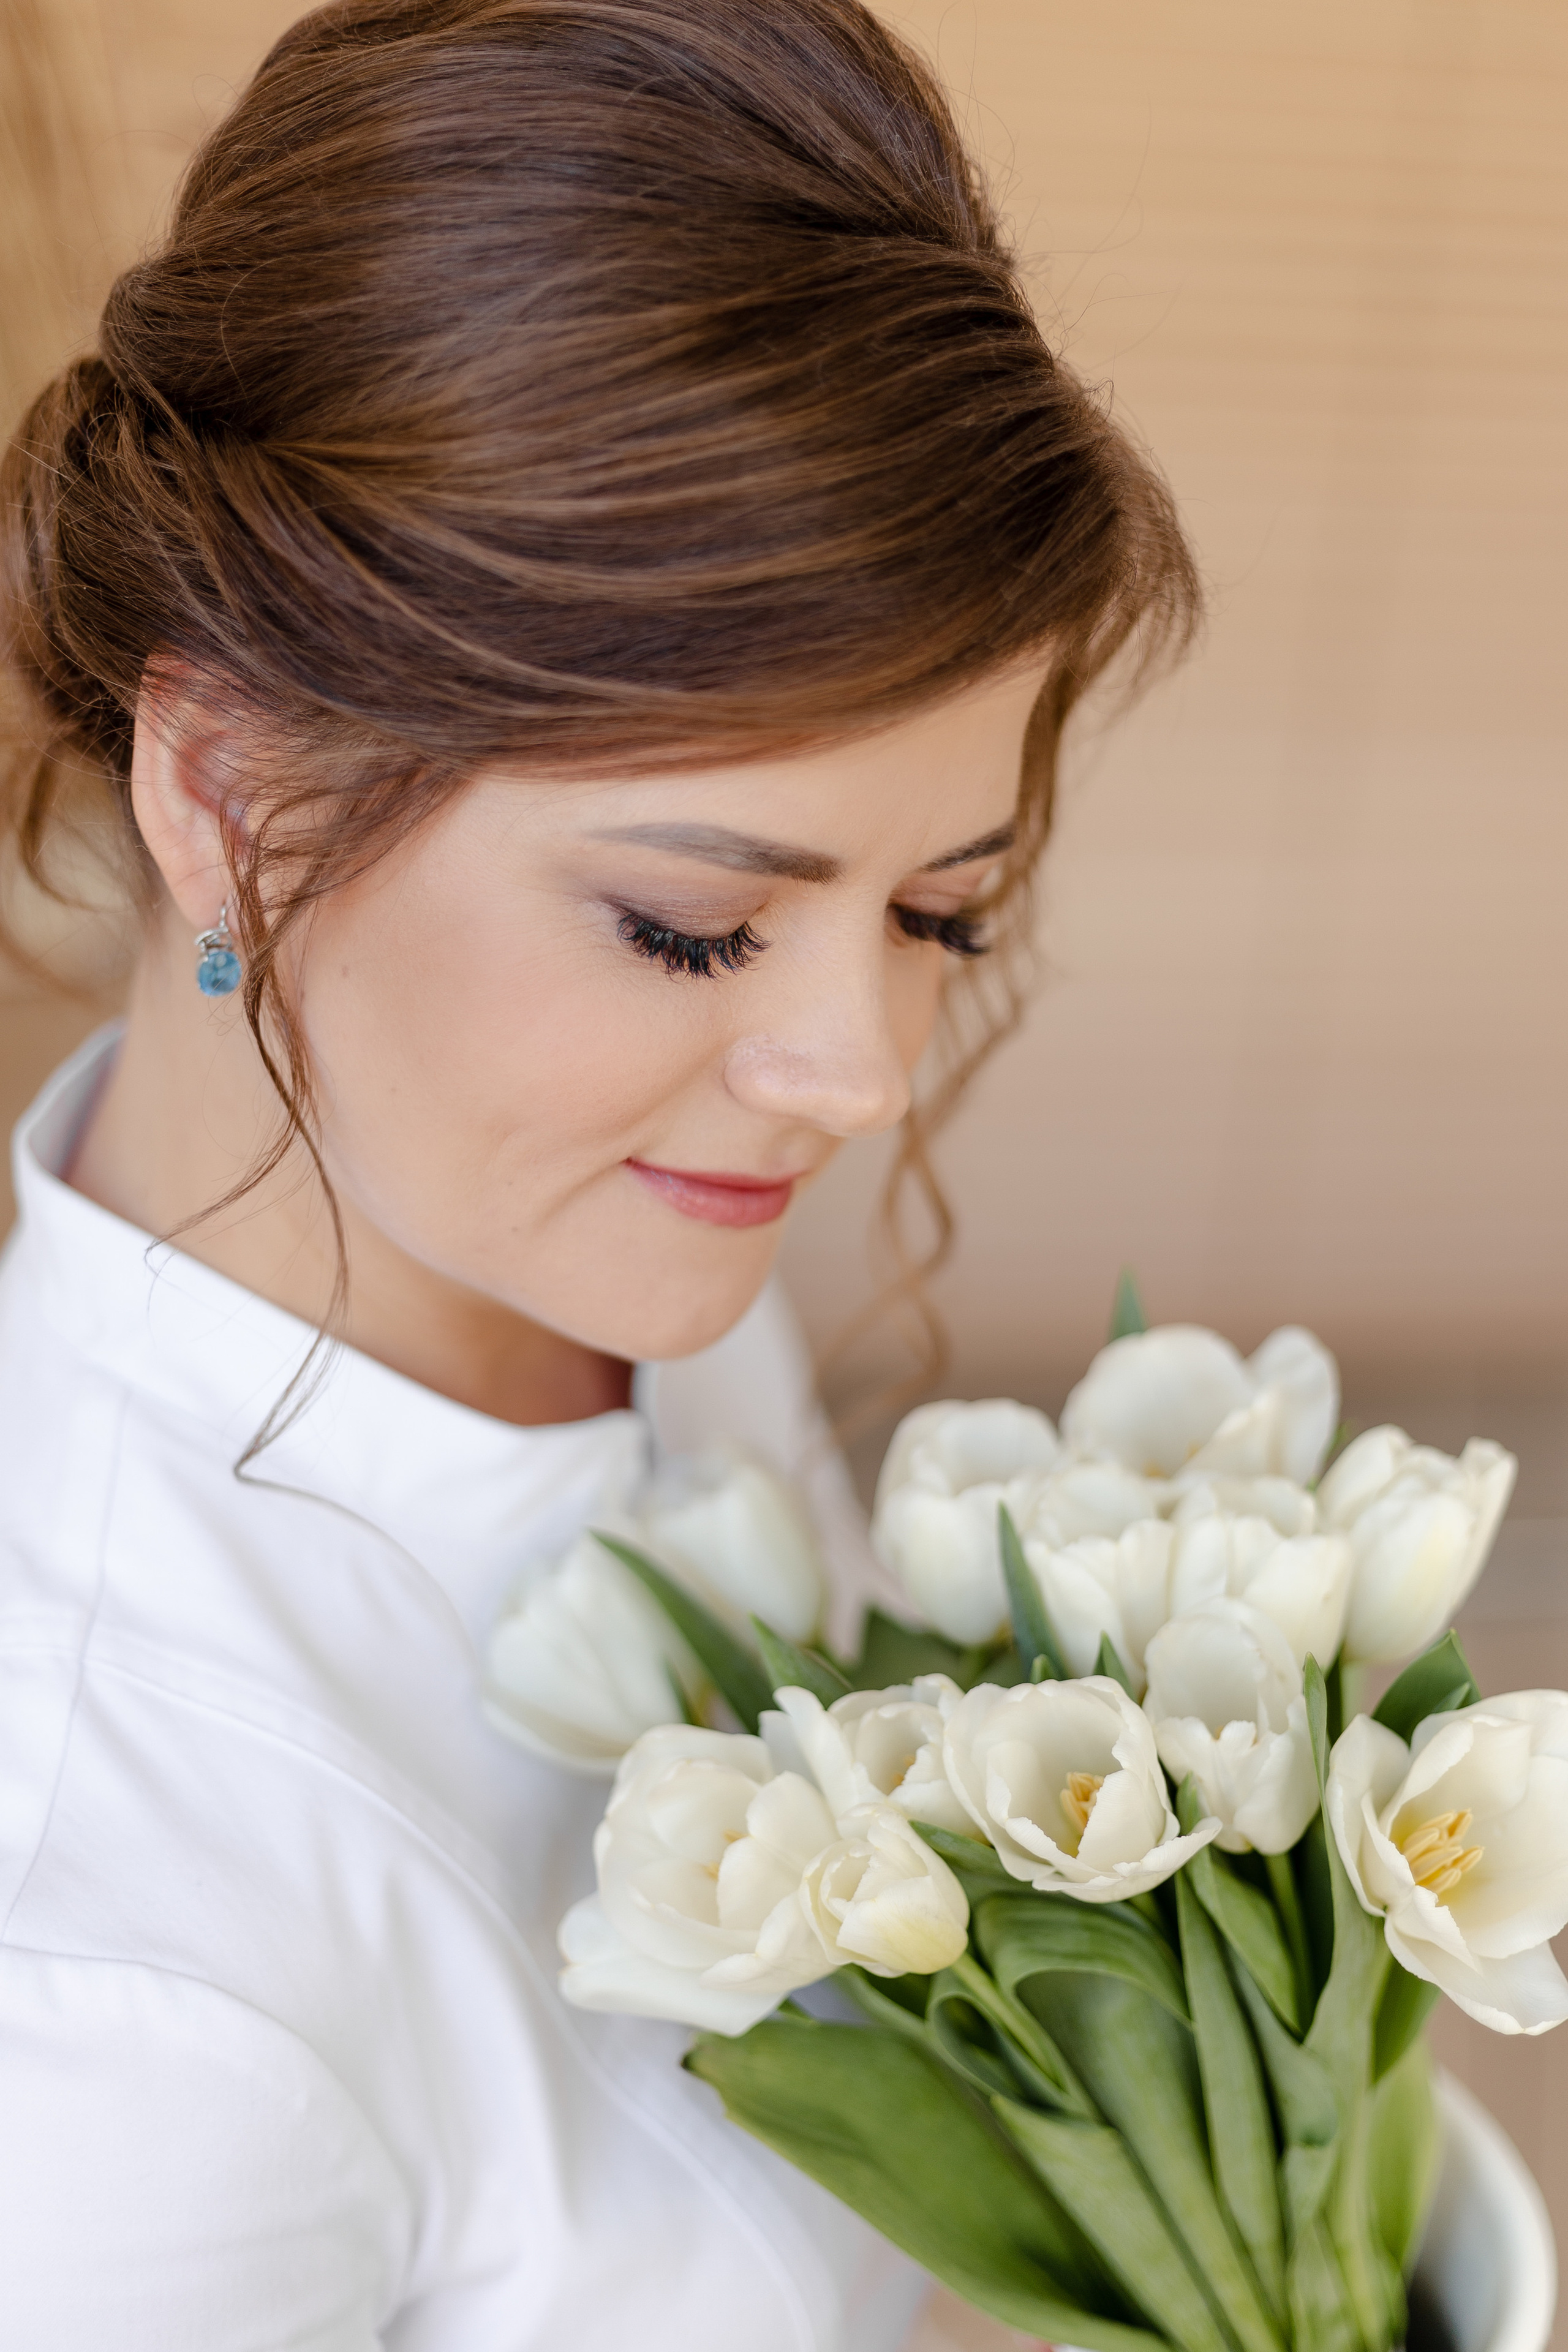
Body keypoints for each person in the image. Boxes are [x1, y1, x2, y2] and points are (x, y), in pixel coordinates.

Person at [0, 2, 1199, 2343]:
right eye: (691, 924)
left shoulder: (632, 1263)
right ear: (222, 785)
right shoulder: (103, 2008)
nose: (856, 1073)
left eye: (941, 909)